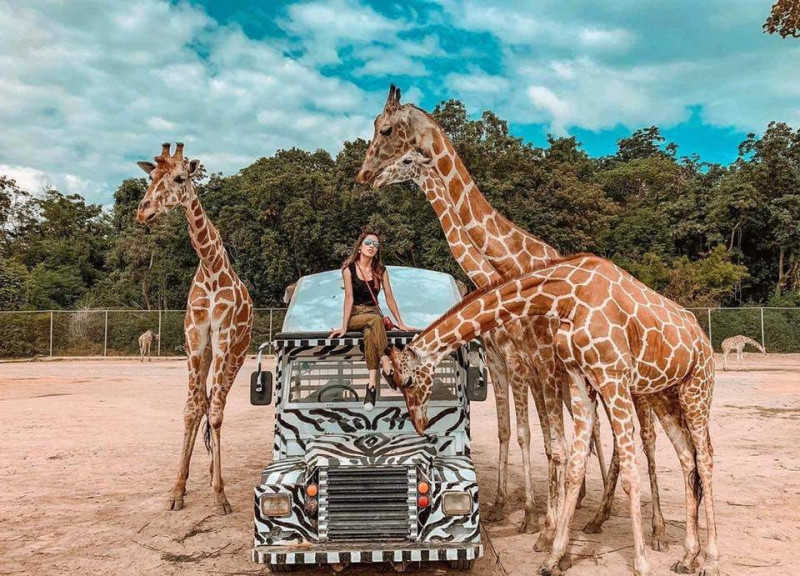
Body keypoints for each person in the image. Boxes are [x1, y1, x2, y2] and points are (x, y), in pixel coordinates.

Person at [330, 230, 414, 410]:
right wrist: (344, 327)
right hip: (355, 316)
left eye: (376, 245)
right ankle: (385, 360)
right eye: (368, 243)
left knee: (370, 334)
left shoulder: (381, 270)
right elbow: (349, 299)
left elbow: (390, 297)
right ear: (360, 246)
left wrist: (400, 322)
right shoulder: (349, 269)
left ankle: (371, 386)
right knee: (375, 321)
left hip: (373, 315)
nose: (372, 247)